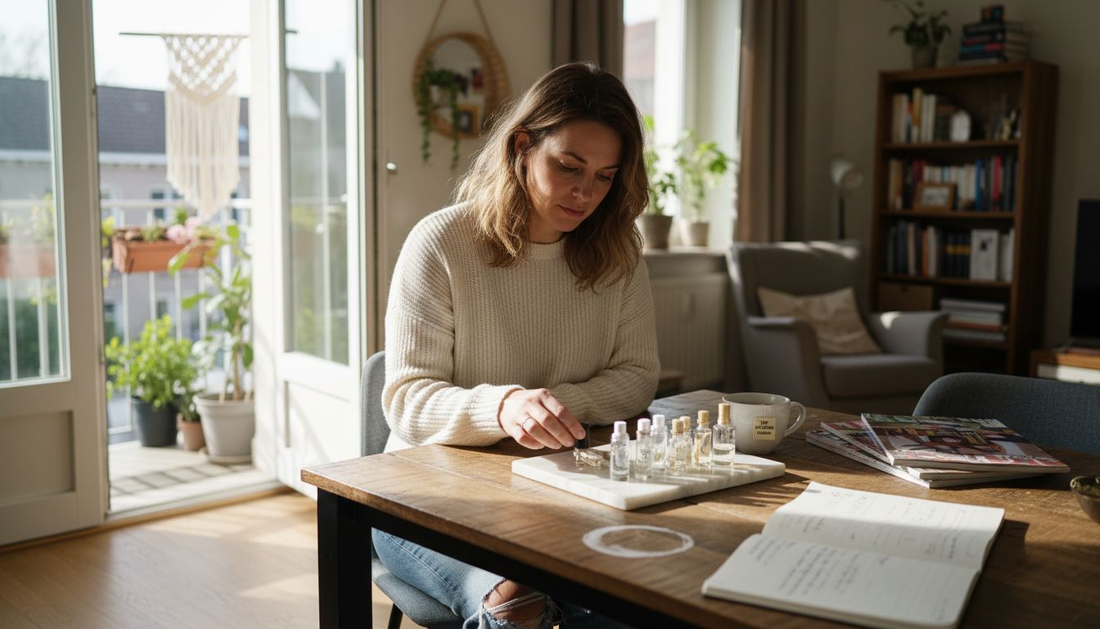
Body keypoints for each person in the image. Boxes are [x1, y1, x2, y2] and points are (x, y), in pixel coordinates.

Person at [374, 62, 660, 629]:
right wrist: (504, 407)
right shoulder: (441, 243)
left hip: (562, 489)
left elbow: (637, 375)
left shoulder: (618, 252)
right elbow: (406, 397)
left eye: (606, 176)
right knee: (517, 604)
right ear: (522, 146)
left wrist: (549, 407)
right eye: (569, 166)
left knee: (631, 599)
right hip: (428, 495)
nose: (586, 192)